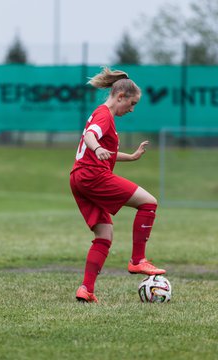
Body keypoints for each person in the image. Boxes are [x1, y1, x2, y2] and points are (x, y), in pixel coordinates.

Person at [70, 67, 166, 303]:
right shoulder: (104, 115)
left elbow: (105, 152)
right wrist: (98, 148)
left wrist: (131, 157)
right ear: (120, 96)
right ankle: (137, 260)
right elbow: (92, 137)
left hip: (79, 177)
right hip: (93, 176)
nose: (132, 109)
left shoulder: (100, 113)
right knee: (149, 203)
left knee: (104, 234)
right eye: (131, 103)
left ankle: (86, 289)